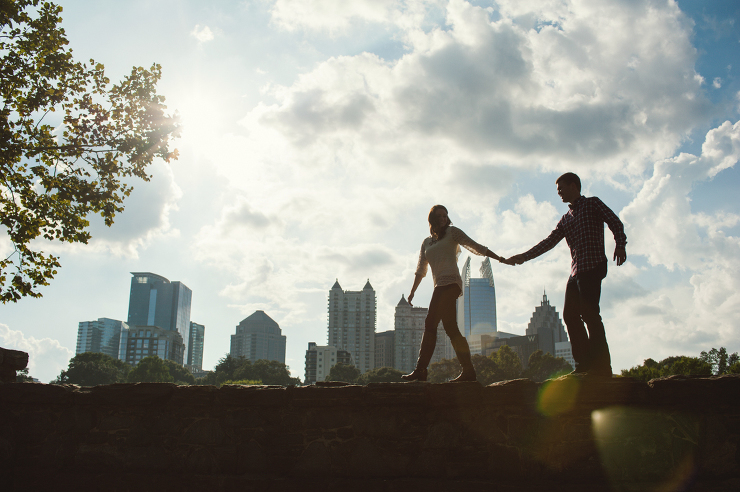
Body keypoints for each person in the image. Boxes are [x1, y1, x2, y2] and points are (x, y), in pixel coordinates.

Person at [506, 172, 627, 377]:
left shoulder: (592, 204)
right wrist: (523, 257)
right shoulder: (566, 219)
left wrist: (620, 245)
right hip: (576, 271)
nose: (559, 193)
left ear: (573, 186)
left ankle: (602, 365)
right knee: (570, 316)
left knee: (590, 315)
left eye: (561, 188)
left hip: (593, 265)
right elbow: (549, 242)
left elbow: (615, 222)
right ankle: (583, 364)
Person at [403, 205, 507, 382]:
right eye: (440, 216)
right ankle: (468, 371)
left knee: (430, 323)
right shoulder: (426, 242)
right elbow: (421, 269)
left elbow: (475, 246)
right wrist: (412, 292)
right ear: (432, 219)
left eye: (446, 215)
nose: (444, 218)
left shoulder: (453, 232)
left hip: (451, 283)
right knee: (451, 328)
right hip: (439, 286)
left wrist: (500, 258)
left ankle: (421, 370)